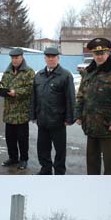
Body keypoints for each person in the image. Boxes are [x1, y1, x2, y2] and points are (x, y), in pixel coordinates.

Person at [75, 37, 111, 175]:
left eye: (102, 53)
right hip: (90, 124)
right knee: (92, 162)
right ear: (92, 54)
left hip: (106, 125)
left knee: (108, 164)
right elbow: (81, 95)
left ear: (108, 53)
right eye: (96, 54)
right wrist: (78, 114)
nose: (99, 56)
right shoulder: (88, 72)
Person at [31, 46, 75, 174]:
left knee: (60, 149)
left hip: (58, 120)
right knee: (42, 148)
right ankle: (45, 169)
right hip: (42, 119)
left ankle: (59, 172)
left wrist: (69, 118)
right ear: (45, 58)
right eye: (48, 57)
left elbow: (70, 98)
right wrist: (33, 114)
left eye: (53, 57)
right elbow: (34, 96)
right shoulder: (39, 75)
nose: (51, 59)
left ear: (58, 58)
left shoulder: (65, 75)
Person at [0, 47, 35, 171]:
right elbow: (2, 83)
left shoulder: (29, 72)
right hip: (9, 112)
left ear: (22, 57)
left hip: (21, 112)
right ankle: (13, 158)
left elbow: (31, 89)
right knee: (10, 138)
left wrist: (16, 92)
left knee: (22, 138)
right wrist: (1, 88)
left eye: (16, 58)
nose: (14, 60)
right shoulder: (7, 71)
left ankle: (24, 159)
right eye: (12, 58)